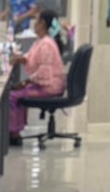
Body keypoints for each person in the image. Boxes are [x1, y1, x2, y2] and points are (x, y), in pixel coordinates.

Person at [7, 10, 66, 143]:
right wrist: (20, 59)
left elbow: (44, 74)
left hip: (50, 87)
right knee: (17, 92)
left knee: (13, 96)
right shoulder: (41, 42)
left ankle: (14, 133)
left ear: (42, 24)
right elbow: (31, 56)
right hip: (47, 83)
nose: (34, 23)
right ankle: (16, 129)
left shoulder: (46, 45)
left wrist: (24, 82)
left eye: (37, 20)